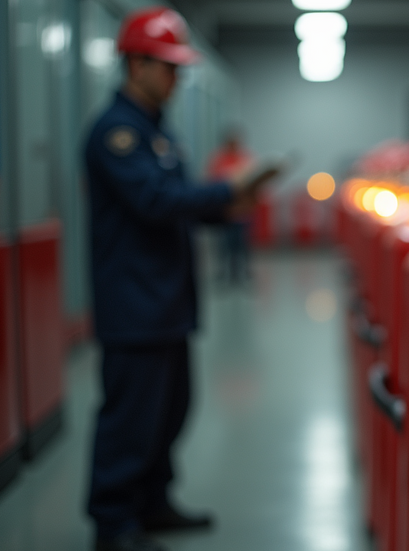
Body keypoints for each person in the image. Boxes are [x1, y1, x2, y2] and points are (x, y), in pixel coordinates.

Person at [83, 8, 269, 551]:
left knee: (168, 413)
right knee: (130, 420)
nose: (176, 78)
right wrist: (226, 190)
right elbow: (154, 201)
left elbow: (181, 206)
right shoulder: (116, 134)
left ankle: (153, 502)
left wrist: (228, 205)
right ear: (136, 64)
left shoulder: (158, 134)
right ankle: (113, 522)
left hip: (166, 300)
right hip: (133, 303)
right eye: (167, 67)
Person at [206, 128, 254, 284]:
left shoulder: (245, 158)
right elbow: (212, 181)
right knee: (224, 245)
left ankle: (243, 273)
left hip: (242, 211)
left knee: (242, 244)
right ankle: (225, 274)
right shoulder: (219, 159)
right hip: (225, 210)